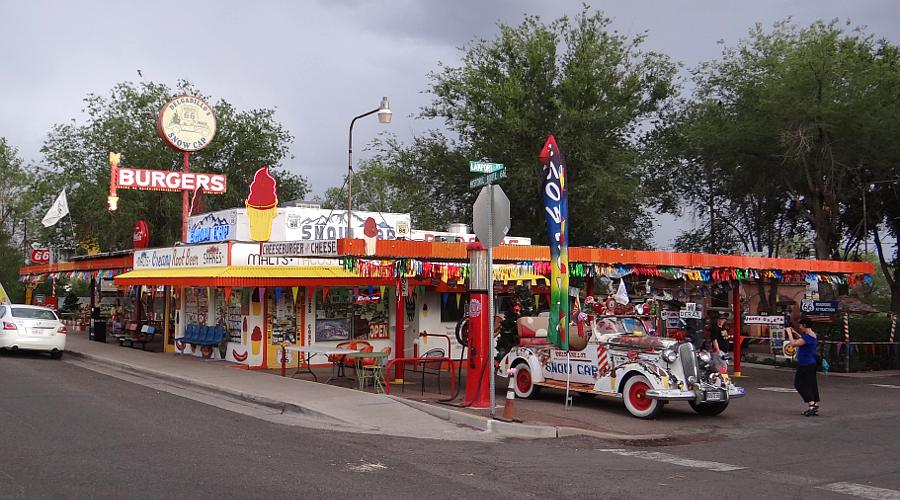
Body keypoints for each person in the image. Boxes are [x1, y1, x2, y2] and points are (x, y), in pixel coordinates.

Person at [786, 318, 820, 416]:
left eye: (801, 325)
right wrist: (794, 332)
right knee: (811, 384)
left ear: (804, 325)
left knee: (799, 384)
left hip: (805, 364)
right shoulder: (812, 335)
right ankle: (815, 403)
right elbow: (802, 339)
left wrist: (789, 333)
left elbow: (793, 344)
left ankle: (811, 404)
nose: (800, 327)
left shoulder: (807, 337)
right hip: (811, 363)